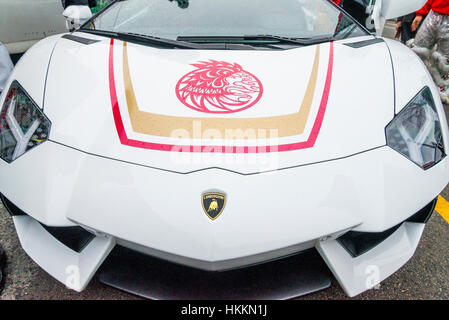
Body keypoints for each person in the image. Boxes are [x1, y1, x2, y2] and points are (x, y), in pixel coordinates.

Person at [407, 0, 449, 103]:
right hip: (434, 15)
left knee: (444, 60)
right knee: (418, 50)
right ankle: (412, 82)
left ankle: (442, 90)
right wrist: (420, 13)